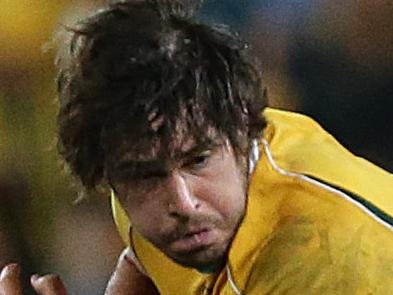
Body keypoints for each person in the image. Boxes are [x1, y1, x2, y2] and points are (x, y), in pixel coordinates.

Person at [1, 0, 393, 294]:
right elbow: (144, 263)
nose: (184, 203)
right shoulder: (152, 150)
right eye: (146, 175)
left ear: (243, 134)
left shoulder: (325, 262)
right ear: (107, 175)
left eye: (199, 161)